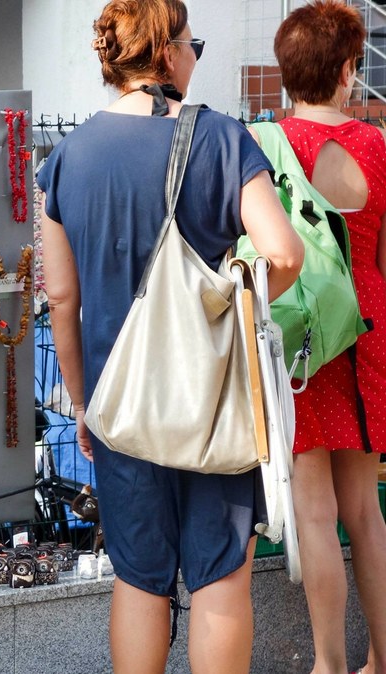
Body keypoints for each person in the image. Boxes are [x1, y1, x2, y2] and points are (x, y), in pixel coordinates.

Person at [37, 1, 304, 672]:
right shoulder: (219, 139)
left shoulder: (68, 157)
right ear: (166, 53)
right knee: (218, 577)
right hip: (212, 399)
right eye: (194, 44)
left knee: (139, 576)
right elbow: (285, 253)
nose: (195, 56)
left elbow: (61, 297)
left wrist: (82, 402)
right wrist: (223, 298)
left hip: (118, 403)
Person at [271, 4, 386, 673]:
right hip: (368, 323)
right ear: (347, 71)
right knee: (365, 512)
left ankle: (328, 665)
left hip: (301, 336)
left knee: (314, 513)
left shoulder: (262, 148)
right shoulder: (378, 147)